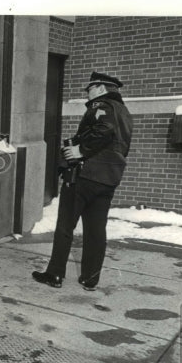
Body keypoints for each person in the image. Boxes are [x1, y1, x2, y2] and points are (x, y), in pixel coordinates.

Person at [32, 71, 133, 291]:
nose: (87, 93)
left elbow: (104, 129)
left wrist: (80, 150)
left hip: (84, 176)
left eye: (89, 89)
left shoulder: (101, 106)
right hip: (109, 179)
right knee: (96, 229)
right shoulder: (124, 112)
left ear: (100, 88)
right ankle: (90, 279)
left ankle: (55, 274)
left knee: (65, 226)